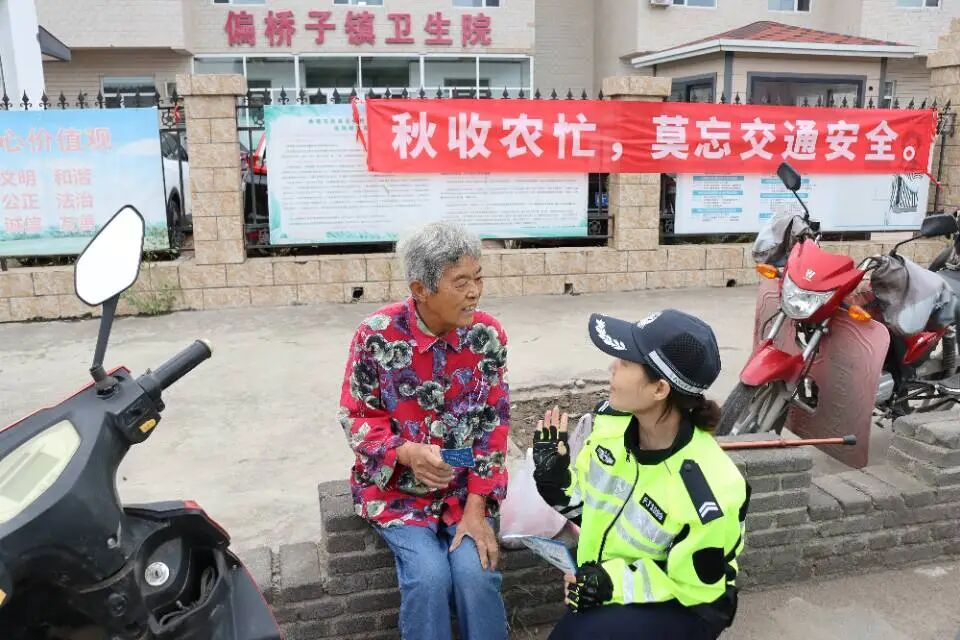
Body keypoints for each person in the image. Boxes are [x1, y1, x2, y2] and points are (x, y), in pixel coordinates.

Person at [338, 221, 510, 640]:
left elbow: (494, 427)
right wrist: (406, 452)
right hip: (398, 492)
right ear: (420, 289)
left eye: (478, 278)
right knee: (428, 578)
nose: (474, 292)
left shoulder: (487, 337)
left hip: (466, 489)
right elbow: (357, 418)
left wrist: (476, 507)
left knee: (476, 574)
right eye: (461, 282)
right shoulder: (376, 337)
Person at [533, 309, 750, 640]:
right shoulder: (611, 427)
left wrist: (609, 583)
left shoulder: (710, 487)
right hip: (609, 573)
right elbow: (596, 512)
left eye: (625, 361)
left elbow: (696, 587)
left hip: (689, 603)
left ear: (659, 389)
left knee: (578, 635)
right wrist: (556, 484)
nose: (612, 367)